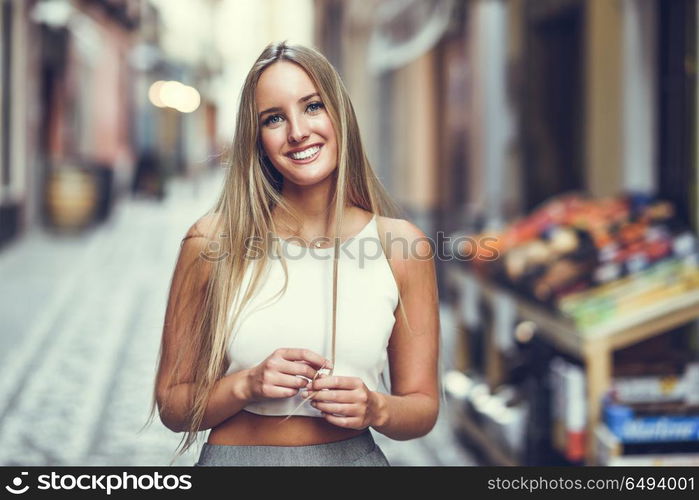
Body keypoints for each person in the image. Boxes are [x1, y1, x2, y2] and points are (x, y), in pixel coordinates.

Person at [148, 41, 440, 466]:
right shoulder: (210, 243)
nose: (297, 132)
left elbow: (423, 407)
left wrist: (378, 407)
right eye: (274, 118)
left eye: (313, 106)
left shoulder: (403, 247)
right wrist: (247, 384)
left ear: (340, 114)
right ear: (257, 138)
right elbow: (173, 406)